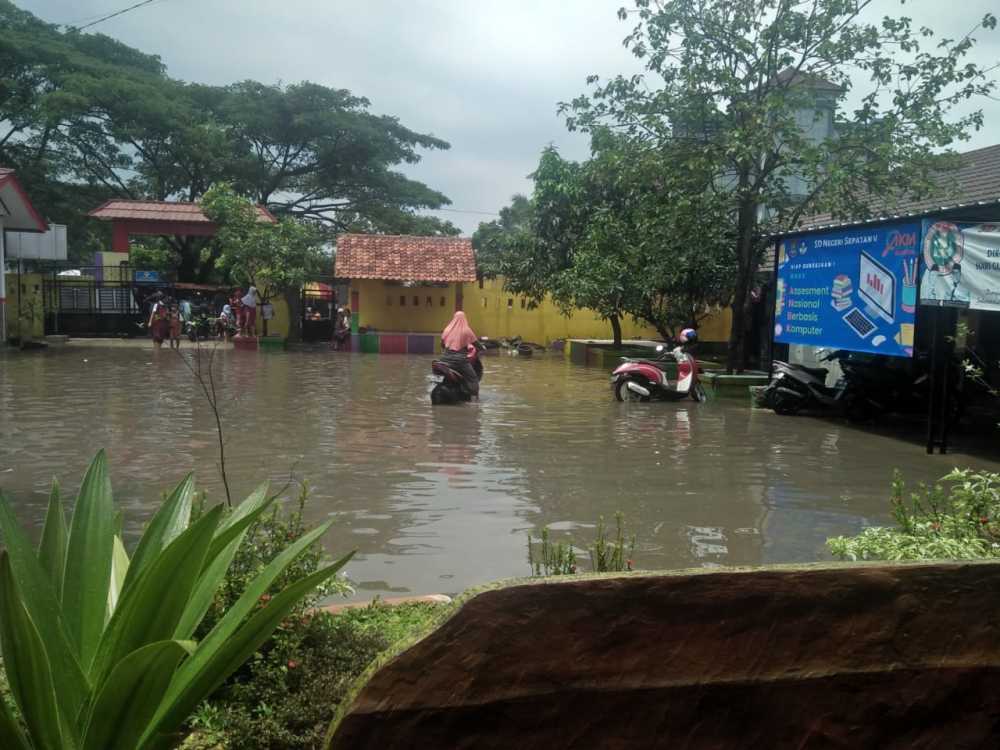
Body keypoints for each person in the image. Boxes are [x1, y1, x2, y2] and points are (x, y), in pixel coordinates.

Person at [440, 311, 480, 398]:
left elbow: (442, 345)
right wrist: (483, 348)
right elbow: (476, 343)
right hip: (460, 361)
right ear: (464, 319)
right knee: (473, 378)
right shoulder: (466, 330)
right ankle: (475, 399)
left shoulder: (447, 329)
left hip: (444, 360)